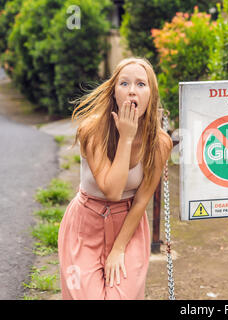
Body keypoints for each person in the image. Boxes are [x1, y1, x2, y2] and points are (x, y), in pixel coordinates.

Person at [58, 57, 172, 300]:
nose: (132, 91)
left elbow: (141, 200)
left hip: (128, 227)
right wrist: (126, 138)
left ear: (151, 94)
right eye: (124, 84)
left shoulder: (160, 142)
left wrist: (119, 248)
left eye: (141, 84)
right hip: (85, 227)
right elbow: (111, 190)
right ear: (113, 93)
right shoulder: (92, 130)